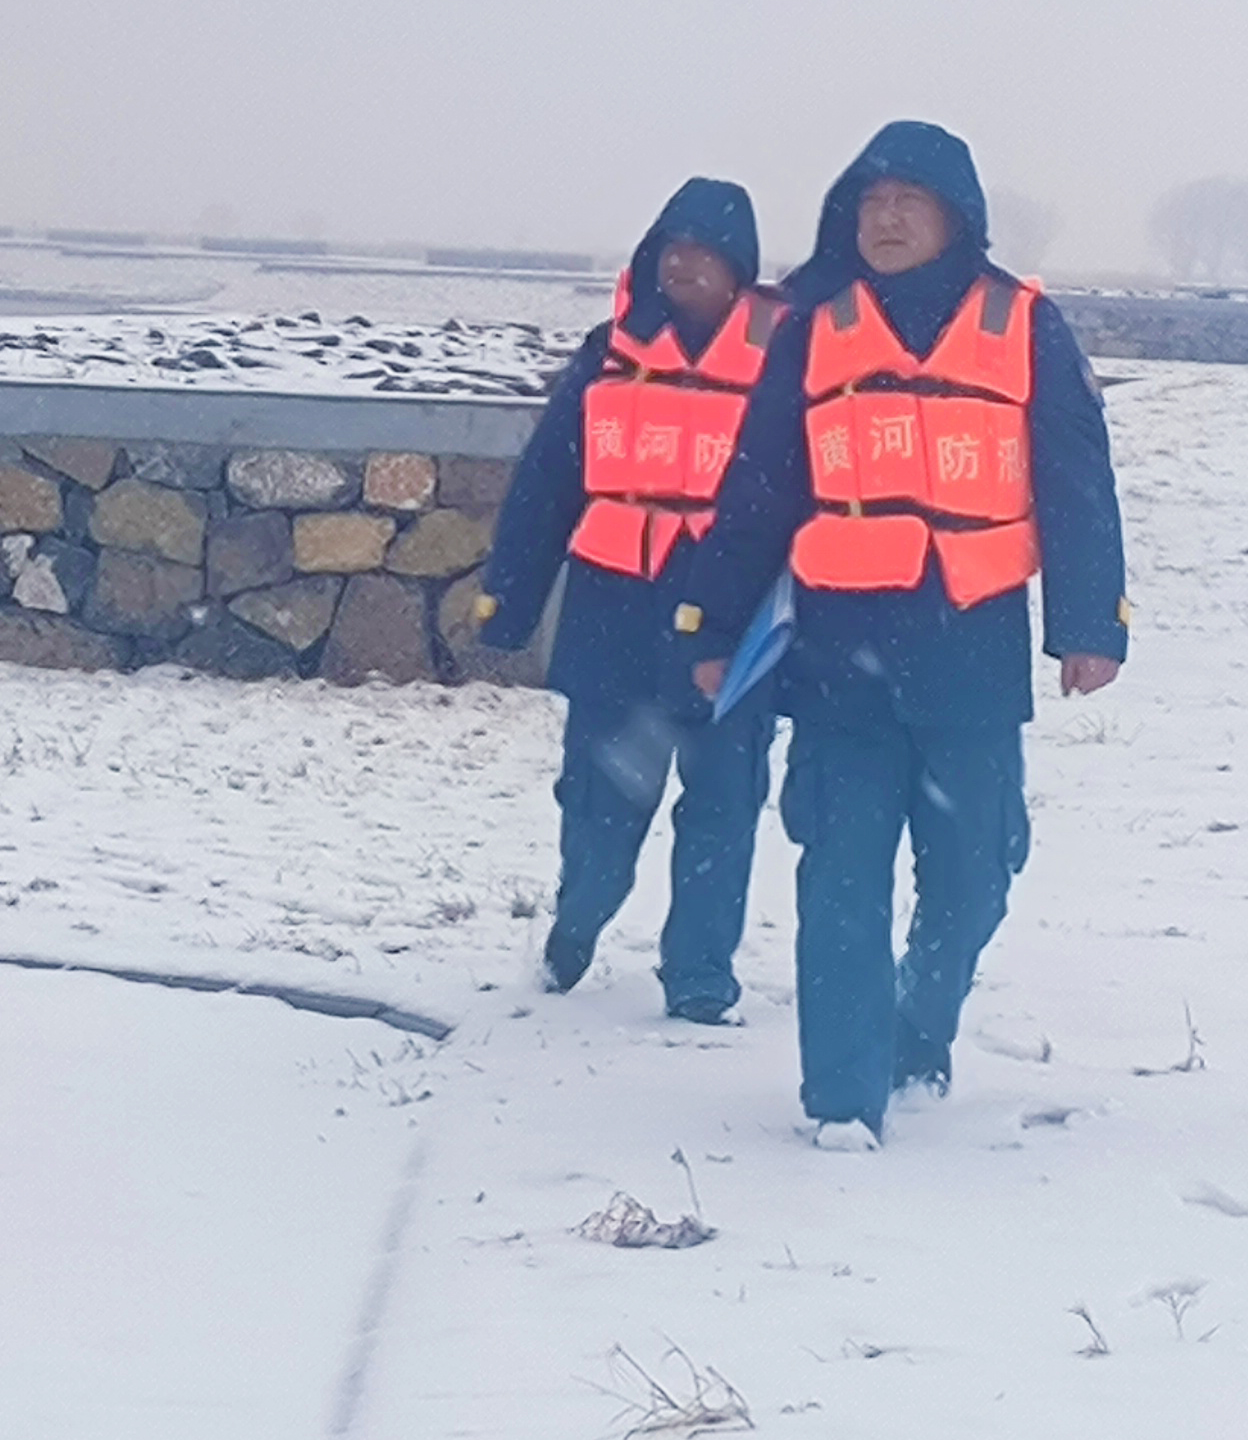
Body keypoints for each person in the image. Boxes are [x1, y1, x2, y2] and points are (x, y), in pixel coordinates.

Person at [669, 122, 1128, 1148]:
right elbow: (757, 489)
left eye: (908, 200)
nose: (884, 217)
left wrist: (1089, 622)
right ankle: (841, 1095)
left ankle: (918, 1032)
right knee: (838, 875)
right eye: (870, 199)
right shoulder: (813, 330)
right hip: (840, 655)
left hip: (970, 650)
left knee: (971, 876)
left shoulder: (1024, 326)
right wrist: (713, 618)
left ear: (955, 217)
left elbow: (1073, 479)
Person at [474, 177, 785, 1023]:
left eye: (704, 252)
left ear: (740, 271)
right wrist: (510, 595)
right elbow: (548, 483)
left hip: (733, 619)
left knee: (724, 804)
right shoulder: (608, 349)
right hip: (615, 608)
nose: (683, 265)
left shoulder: (785, 355)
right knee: (602, 797)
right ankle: (578, 921)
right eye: (670, 249)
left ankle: (699, 974)